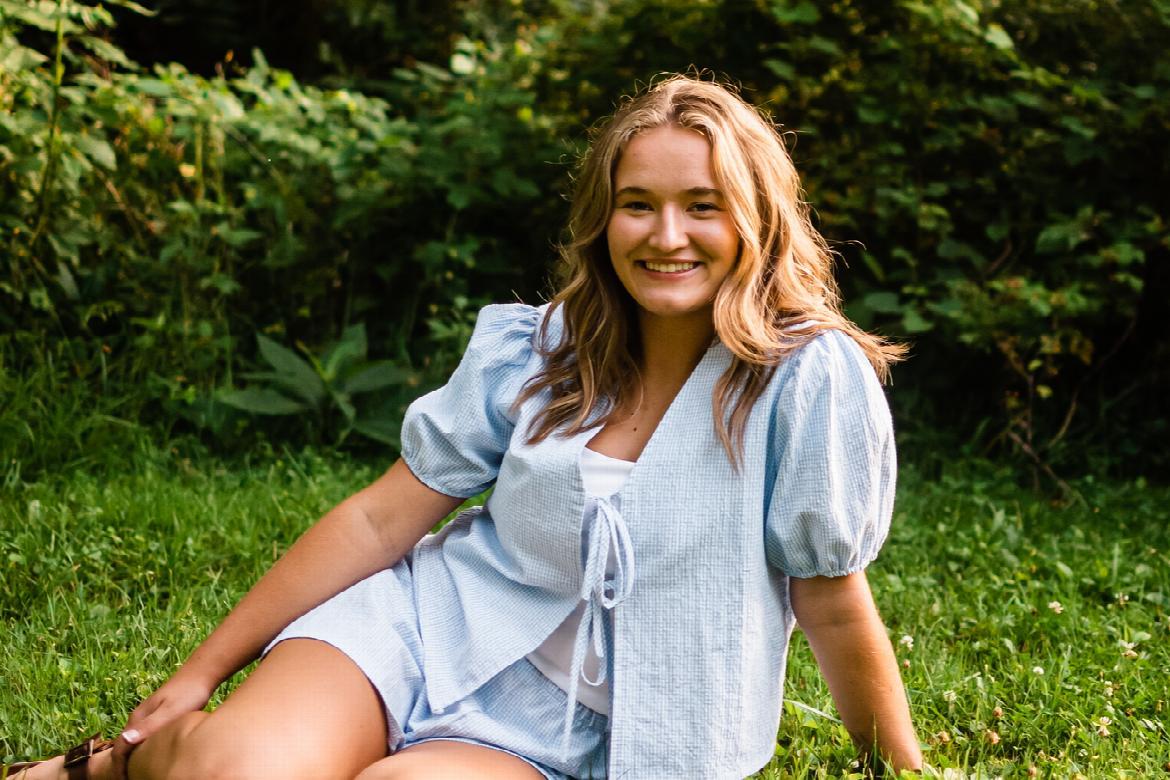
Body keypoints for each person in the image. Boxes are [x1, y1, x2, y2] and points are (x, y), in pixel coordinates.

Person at [8, 74, 922, 779]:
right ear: (604, 218)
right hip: (419, 635)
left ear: (756, 217)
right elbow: (381, 520)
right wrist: (200, 672)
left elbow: (830, 597)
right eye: (638, 203)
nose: (666, 235)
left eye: (703, 205)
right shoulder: (542, 349)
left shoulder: (804, 381)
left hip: (579, 735)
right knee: (233, 771)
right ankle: (121, 765)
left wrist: (900, 769)